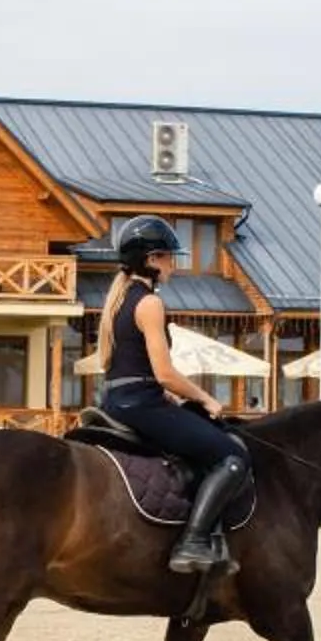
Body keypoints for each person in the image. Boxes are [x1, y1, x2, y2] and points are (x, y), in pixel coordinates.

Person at [89, 214, 250, 573]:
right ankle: (192, 544)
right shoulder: (150, 303)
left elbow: (130, 369)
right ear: (151, 260)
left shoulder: (120, 300)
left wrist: (174, 400)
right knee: (232, 457)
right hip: (142, 405)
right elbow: (164, 373)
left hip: (120, 400)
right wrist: (206, 398)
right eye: (169, 257)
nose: (174, 265)